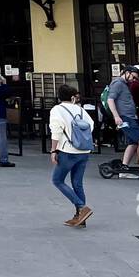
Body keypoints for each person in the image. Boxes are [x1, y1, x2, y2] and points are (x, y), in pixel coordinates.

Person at [48, 84, 94, 227]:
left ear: (59, 97)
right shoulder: (80, 110)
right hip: (84, 151)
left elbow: (56, 130)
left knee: (57, 180)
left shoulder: (57, 110)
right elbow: (90, 125)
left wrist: (53, 150)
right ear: (72, 97)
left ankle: (82, 207)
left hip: (67, 151)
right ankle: (81, 218)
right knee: (77, 183)